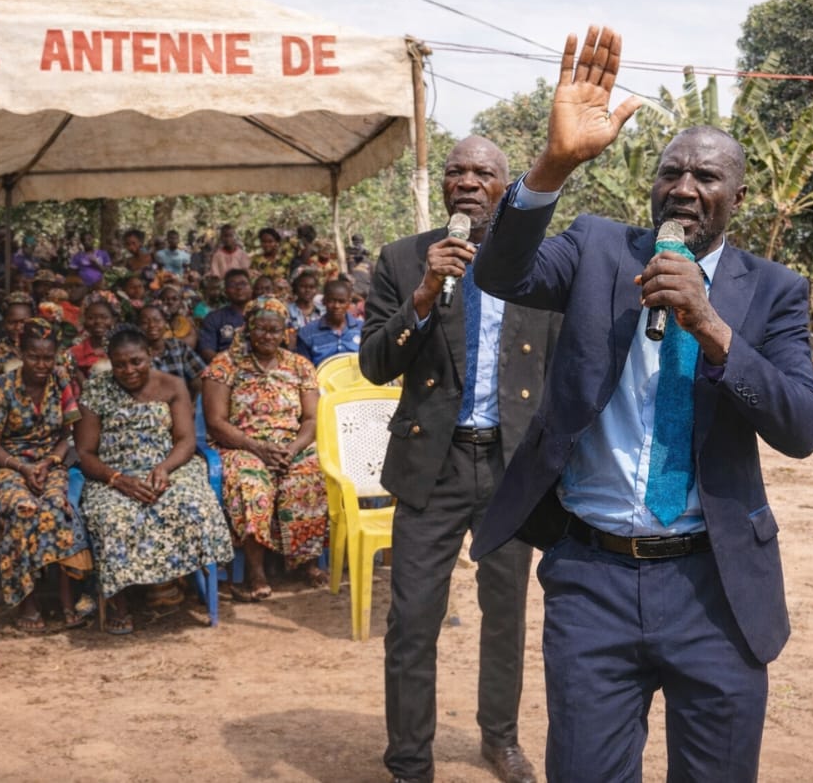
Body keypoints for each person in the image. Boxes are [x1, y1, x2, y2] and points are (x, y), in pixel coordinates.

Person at [469, 26, 813, 782]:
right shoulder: (599, 247)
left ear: (738, 194)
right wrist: (553, 163)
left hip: (717, 587)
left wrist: (714, 327)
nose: (685, 187)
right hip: (592, 577)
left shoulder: (773, 291)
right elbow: (502, 273)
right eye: (672, 172)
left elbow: (804, 426)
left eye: (706, 176)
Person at [360, 135, 559, 783]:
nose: (467, 181)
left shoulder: (542, 264)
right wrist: (422, 295)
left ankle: (498, 737)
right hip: (432, 468)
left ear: (508, 185)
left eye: (483, 172)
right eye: (455, 171)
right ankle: (410, 761)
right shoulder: (402, 260)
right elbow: (373, 362)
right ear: (443, 186)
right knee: (413, 617)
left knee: (506, 613)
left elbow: (563, 367)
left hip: (510, 469)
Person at [73, 326, 233, 634]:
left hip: (169, 466)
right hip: (114, 472)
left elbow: (186, 440)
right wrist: (118, 479)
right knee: (112, 516)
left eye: (136, 361)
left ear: (150, 355)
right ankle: (121, 601)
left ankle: (173, 582)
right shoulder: (96, 390)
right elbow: (86, 452)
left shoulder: (172, 385)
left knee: (193, 505)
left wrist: (163, 469)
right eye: (119, 364)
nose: (128, 370)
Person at [202, 296, 327, 599]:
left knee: (311, 471)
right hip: (240, 445)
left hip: (291, 444)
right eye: (261, 329)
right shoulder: (225, 365)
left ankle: (305, 561)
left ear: (285, 331)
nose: (268, 336)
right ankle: (255, 573)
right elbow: (216, 422)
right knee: (250, 482)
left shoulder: (299, 365)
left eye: (275, 330)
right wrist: (257, 448)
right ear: (248, 328)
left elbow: (311, 418)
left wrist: (293, 448)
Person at [0, 319, 93, 632]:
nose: (41, 364)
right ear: (20, 352)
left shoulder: (61, 383)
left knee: (58, 507)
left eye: (47, 357)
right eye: (33, 356)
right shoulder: (1, 387)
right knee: (22, 508)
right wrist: (22, 468)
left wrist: (50, 462)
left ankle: (65, 600)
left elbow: (66, 435)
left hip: (50, 464)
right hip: (8, 466)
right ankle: (26, 603)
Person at [138, 303, 205, 401]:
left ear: (165, 323)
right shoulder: (136, 354)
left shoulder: (178, 346)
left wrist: (194, 404)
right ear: (138, 326)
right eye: (145, 322)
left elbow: (199, 377)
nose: (152, 325)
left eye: (157, 320)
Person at [296, 279, 362, 365]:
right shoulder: (307, 333)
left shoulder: (362, 329)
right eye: (331, 301)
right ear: (324, 301)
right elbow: (304, 369)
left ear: (349, 303)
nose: (336, 306)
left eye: (341, 302)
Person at [197, 269, 252, 362]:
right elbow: (207, 351)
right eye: (233, 285)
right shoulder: (213, 318)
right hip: (226, 369)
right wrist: (230, 365)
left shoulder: (264, 316)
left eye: (243, 283)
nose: (239, 288)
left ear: (251, 288)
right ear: (226, 291)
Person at [68, 291, 120, 381]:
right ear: (84, 320)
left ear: (113, 320)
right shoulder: (74, 352)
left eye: (104, 317)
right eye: (91, 318)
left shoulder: (123, 348)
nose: (98, 322)